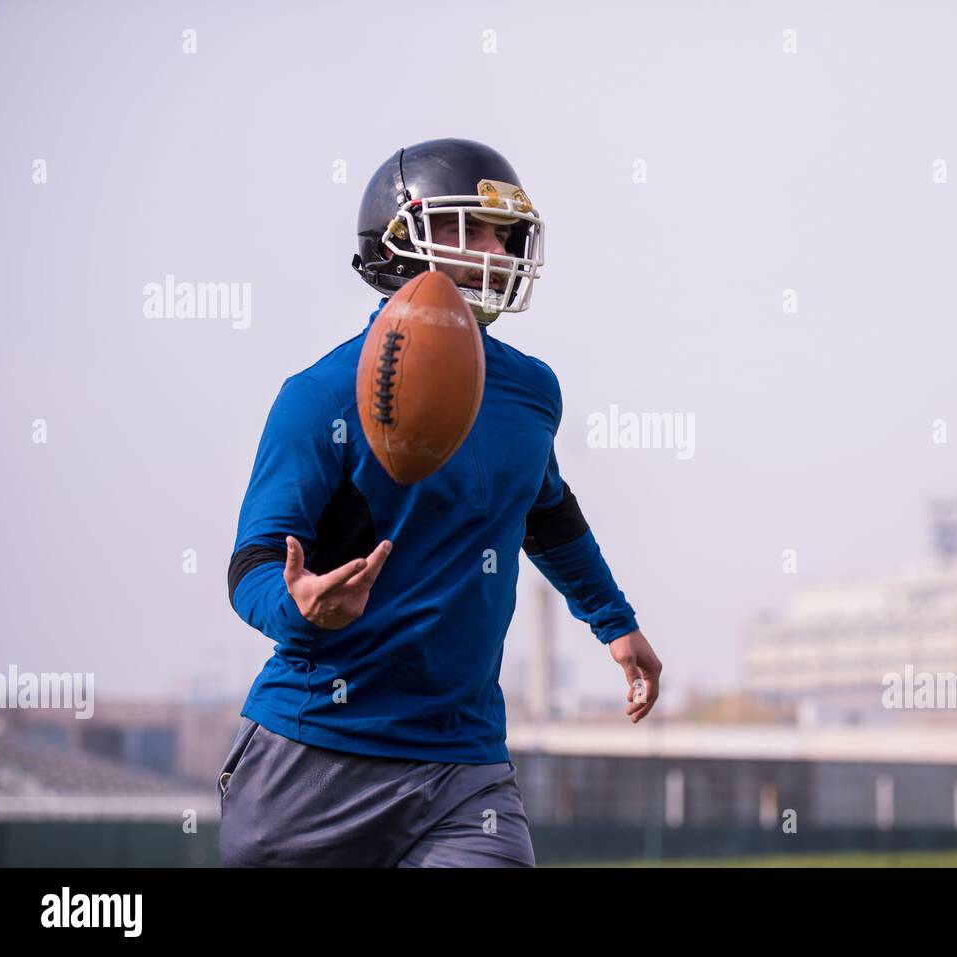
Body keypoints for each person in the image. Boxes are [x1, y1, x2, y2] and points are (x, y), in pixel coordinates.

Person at [218, 137, 662, 867]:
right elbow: (255, 563)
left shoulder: (531, 390)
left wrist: (614, 621)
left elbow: (545, 513)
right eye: (467, 228)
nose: (496, 247)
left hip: (464, 766)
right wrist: (296, 604)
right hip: (314, 755)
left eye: (504, 232)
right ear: (399, 242)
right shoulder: (318, 396)